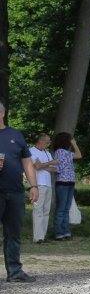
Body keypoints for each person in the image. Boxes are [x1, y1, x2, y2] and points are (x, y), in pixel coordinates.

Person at [0, 101, 40, 282]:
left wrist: (33, 186)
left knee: (13, 233)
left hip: (15, 192)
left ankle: (15, 272)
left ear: (2, 113)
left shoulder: (15, 135)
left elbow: (27, 163)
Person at [51, 132, 82, 241]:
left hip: (69, 182)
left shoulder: (66, 152)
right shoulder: (60, 152)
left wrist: (73, 144)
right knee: (62, 208)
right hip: (63, 182)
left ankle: (65, 231)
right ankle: (59, 232)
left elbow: (78, 155)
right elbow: (79, 155)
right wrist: (74, 144)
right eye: (70, 140)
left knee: (66, 208)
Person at [29, 133, 56, 244]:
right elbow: (37, 166)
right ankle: (38, 237)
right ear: (41, 141)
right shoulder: (32, 151)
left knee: (46, 211)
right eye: (47, 141)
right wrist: (49, 164)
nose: (49, 143)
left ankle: (43, 236)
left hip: (48, 184)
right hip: (38, 184)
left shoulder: (47, 152)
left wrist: (43, 165)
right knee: (38, 210)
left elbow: (54, 169)